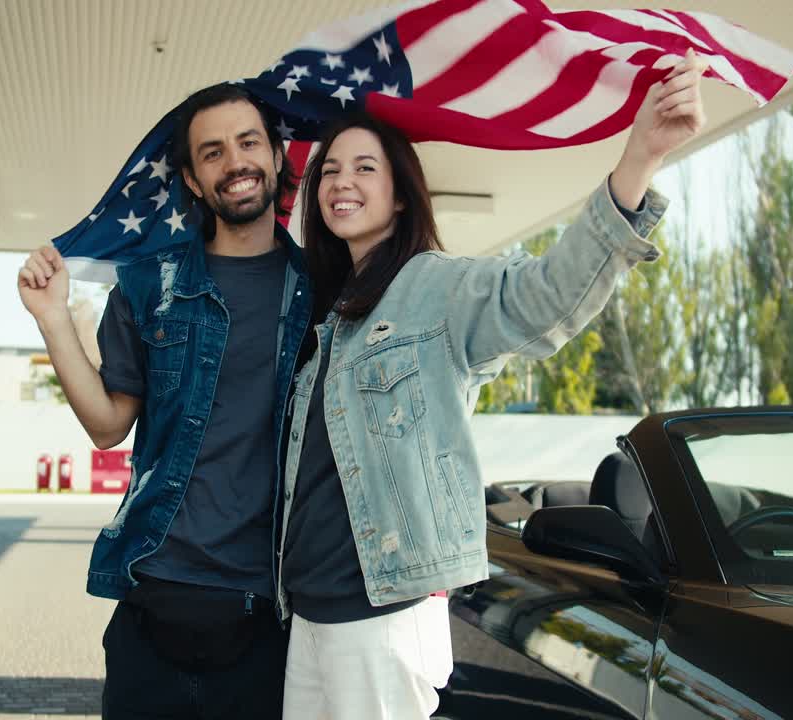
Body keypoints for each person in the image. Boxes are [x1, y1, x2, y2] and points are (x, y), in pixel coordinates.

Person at [276, 50, 709, 719]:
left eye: (365, 167)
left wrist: (639, 159)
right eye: (329, 169)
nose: (342, 181)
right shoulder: (328, 316)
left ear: (401, 194)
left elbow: (549, 295)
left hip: (380, 619)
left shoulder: (438, 287)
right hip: (308, 611)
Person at [18, 83, 311, 719]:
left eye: (248, 142)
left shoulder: (323, 293)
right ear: (193, 180)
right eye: (212, 152)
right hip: (153, 601)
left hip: (269, 614)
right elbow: (107, 425)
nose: (234, 162)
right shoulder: (149, 283)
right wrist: (53, 320)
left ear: (276, 155)